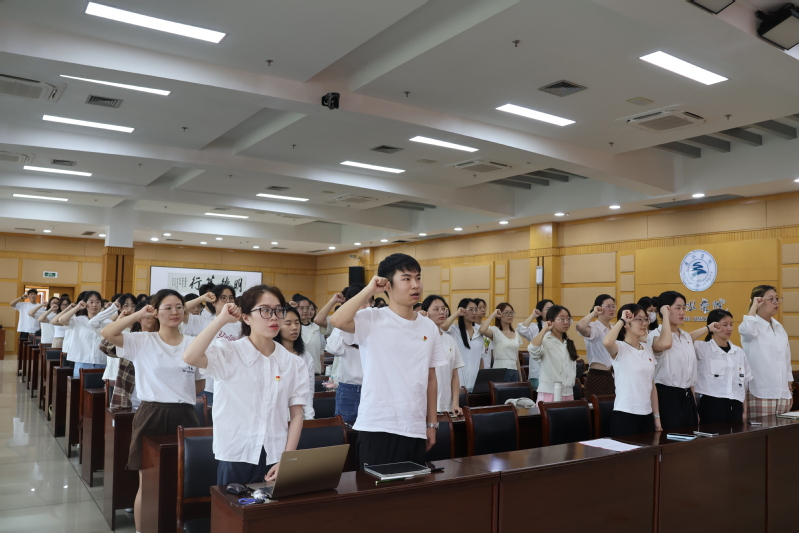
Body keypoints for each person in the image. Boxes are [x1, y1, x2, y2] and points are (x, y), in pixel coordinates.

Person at [329, 253, 447, 469]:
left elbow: (431, 378)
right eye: (406, 279)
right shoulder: (372, 318)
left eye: (418, 278)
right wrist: (369, 290)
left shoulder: (428, 327)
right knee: (376, 488)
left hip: (414, 427)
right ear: (388, 286)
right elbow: (336, 320)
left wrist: (432, 423)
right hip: (377, 426)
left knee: (411, 489)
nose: (415, 285)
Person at [182, 285, 308, 486]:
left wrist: (287, 458)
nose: (274, 317)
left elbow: (297, 414)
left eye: (279, 310)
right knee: (232, 506)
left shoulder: (293, 363)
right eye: (265, 310)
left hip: (275, 455)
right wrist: (221, 319)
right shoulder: (229, 352)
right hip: (237, 454)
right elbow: (190, 356)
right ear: (246, 318)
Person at [101, 289, 203, 533]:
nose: (174, 312)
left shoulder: (193, 343)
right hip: (151, 414)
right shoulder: (142, 341)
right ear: (155, 312)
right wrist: (138, 314)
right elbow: (107, 333)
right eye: (167, 308)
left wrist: (178, 389)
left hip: (186, 415)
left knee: (185, 481)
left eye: (179, 307)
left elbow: (199, 384)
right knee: (147, 481)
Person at [602, 304, 662, 436]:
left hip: (647, 414)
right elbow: (607, 342)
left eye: (645, 319)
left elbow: (652, 385)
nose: (644, 323)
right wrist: (622, 320)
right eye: (639, 319)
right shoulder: (619, 347)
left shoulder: (647, 348)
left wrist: (656, 416)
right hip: (625, 414)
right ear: (627, 324)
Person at [739, 285, 793, 418]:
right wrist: (753, 307)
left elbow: (786, 359)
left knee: (782, 431)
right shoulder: (751, 326)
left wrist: (789, 387)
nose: (776, 302)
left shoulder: (779, 328)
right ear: (759, 301)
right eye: (771, 299)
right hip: (760, 392)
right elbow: (747, 330)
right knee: (761, 431)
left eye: (777, 298)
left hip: (782, 394)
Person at [690, 310, 751, 423]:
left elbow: (743, 384)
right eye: (725, 325)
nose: (729, 328)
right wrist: (707, 328)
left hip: (735, 405)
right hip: (711, 404)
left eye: (731, 324)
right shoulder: (702, 348)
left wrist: (744, 411)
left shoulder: (739, 352)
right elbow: (685, 340)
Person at [648, 291, 698, 431]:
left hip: (687, 395)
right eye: (678, 308)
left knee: (691, 437)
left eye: (684, 308)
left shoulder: (686, 336)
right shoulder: (655, 336)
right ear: (666, 309)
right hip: (666, 396)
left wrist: (694, 406)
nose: (682, 312)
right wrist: (664, 315)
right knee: (670, 439)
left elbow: (690, 374)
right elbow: (666, 344)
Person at [325, 285, 372, 425]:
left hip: (373, 389)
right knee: (347, 429)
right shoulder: (343, 328)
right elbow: (333, 348)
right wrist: (344, 322)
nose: (369, 306)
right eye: (364, 302)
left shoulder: (374, 325)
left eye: (371, 302)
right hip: (351, 389)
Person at [421, 295, 464, 415]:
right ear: (426, 312)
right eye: (436, 309)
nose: (442, 312)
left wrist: (455, 403)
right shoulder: (421, 338)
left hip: (446, 406)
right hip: (425, 406)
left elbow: (454, 375)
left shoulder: (450, 339)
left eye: (444, 309)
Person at [529, 305, 578, 403]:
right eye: (562, 319)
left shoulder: (568, 343)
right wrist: (544, 329)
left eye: (568, 319)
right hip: (550, 392)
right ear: (551, 321)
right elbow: (533, 349)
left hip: (568, 393)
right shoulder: (545, 341)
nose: (566, 322)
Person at [478, 303, 537, 382]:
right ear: (499, 315)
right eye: (506, 312)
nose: (510, 315)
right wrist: (493, 315)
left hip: (514, 371)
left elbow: (516, 358)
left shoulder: (515, 333)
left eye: (511, 312)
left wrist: (520, 378)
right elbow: (482, 330)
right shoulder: (495, 330)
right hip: (500, 371)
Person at [55, 291, 109, 377]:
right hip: (82, 361)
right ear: (85, 304)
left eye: (97, 302)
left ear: (101, 304)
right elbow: (61, 320)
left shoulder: (107, 322)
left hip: (102, 362)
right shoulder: (78, 320)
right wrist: (77, 307)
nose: (94, 305)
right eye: (91, 302)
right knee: (78, 384)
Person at [276, 306, 316, 420]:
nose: (294, 327)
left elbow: (308, 391)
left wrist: (309, 417)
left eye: (297, 323)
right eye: (288, 323)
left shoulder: (305, 356)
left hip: (299, 417)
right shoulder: (272, 355)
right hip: (277, 417)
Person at [90, 294, 136, 386]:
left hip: (133, 376)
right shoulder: (110, 326)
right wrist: (112, 308)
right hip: (113, 375)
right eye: (126, 305)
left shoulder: (139, 328)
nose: (130, 309)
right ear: (120, 308)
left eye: (133, 306)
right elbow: (93, 322)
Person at [576, 294, 617, 396]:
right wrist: (594, 313)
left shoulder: (614, 328)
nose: (612, 309)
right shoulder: (593, 327)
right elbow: (580, 326)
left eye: (613, 306)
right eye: (608, 306)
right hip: (598, 375)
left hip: (614, 376)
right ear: (599, 308)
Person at [443, 299, 484, 391]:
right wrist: (457, 313)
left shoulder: (479, 332)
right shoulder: (454, 330)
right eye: (471, 309)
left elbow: (481, 359)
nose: (474, 313)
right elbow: (444, 326)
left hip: (475, 383)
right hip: (457, 383)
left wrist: (481, 383)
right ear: (463, 311)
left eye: (476, 309)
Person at [294, 294, 329, 374]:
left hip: (315, 371)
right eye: (301, 308)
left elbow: (321, 351)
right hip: (299, 372)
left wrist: (321, 370)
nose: (305, 311)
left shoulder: (317, 328)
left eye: (308, 308)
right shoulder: (293, 328)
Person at [474, 298, 492, 369]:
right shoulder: (471, 327)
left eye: (484, 307)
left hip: (487, 366)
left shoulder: (488, 327)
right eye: (480, 308)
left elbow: (491, 348)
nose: (483, 310)